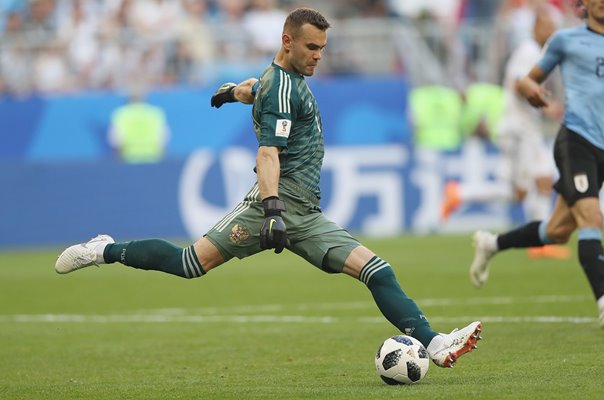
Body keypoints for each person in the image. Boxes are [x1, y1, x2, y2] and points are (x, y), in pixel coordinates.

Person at [55, 7, 482, 367]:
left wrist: (231, 92)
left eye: (322, 49)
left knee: (377, 271)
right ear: (287, 41)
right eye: (311, 48)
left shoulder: (280, 80)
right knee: (189, 264)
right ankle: (104, 250)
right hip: (272, 206)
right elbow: (267, 154)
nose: (318, 56)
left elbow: (255, 86)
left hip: (305, 213)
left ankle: (436, 343)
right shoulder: (282, 87)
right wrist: (273, 209)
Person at [469, 0, 604, 328]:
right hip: (576, 141)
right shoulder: (565, 41)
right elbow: (526, 80)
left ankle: (492, 243)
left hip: (601, 148)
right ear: (582, 4)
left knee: (557, 231)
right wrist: (532, 90)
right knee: (591, 218)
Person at [442, 5, 570, 260]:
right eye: (546, 26)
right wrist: (547, 107)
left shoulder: (538, 51)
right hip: (520, 128)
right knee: (544, 178)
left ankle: (460, 193)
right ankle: (540, 242)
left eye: (553, 27)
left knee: (517, 192)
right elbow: (516, 83)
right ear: (535, 27)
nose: (550, 31)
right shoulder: (529, 51)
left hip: (518, 126)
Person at [108, 91, 170, 163]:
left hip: (129, 157)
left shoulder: (121, 113)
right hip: (153, 156)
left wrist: (118, 157)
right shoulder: (155, 112)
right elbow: (163, 137)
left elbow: (115, 139)